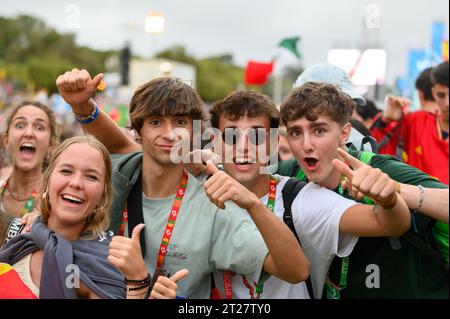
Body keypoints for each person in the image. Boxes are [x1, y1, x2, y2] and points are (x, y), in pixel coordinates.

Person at [55, 69, 309, 299]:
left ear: (194, 131)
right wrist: (81, 104)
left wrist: (253, 204)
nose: (169, 134)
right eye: (156, 122)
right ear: (138, 131)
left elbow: (296, 271)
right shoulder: (109, 177)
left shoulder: (213, 208)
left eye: (180, 122)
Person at [205, 90, 409, 299]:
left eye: (257, 136)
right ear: (214, 141)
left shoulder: (301, 199)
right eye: (231, 136)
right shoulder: (200, 194)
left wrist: (390, 199)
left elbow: (390, 224)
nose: (243, 147)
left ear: (274, 142)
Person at [275, 81, 449, 298]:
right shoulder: (289, 174)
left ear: (344, 134)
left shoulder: (379, 168)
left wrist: (394, 190)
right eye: (295, 133)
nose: (306, 144)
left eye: (319, 130)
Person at [0, 135, 186, 299]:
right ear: (47, 180)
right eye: (66, 171)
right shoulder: (18, 236)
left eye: (91, 177)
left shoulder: (103, 264)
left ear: (103, 196)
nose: (76, 183)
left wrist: (137, 283)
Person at [372, 61, 449, 184]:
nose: (447, 103)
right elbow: (378, 151)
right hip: (416, 201)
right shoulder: (416, 121)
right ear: (433, 92)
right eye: (441, 95)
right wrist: (386, 119)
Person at [0, 101, 60, 245]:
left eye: (39, 127)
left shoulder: (57, 203)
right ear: (6, 140)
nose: (29, 133)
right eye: (20, 125)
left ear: (51, 144)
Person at [293, 62, 376, 152]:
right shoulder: (280, 138)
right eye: (332, 103)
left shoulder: (360, 144)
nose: (345, 112)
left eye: (346, 104)